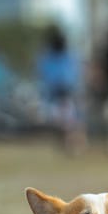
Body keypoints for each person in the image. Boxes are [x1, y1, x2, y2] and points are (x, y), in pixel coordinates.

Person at [37, 24, 84, 154]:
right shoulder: (51, 57)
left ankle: (71, 144)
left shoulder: (66, 56)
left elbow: (74, 75)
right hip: (57, 92)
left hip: (65, 92)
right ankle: (66, 144)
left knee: (69, 121)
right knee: (64, 121)